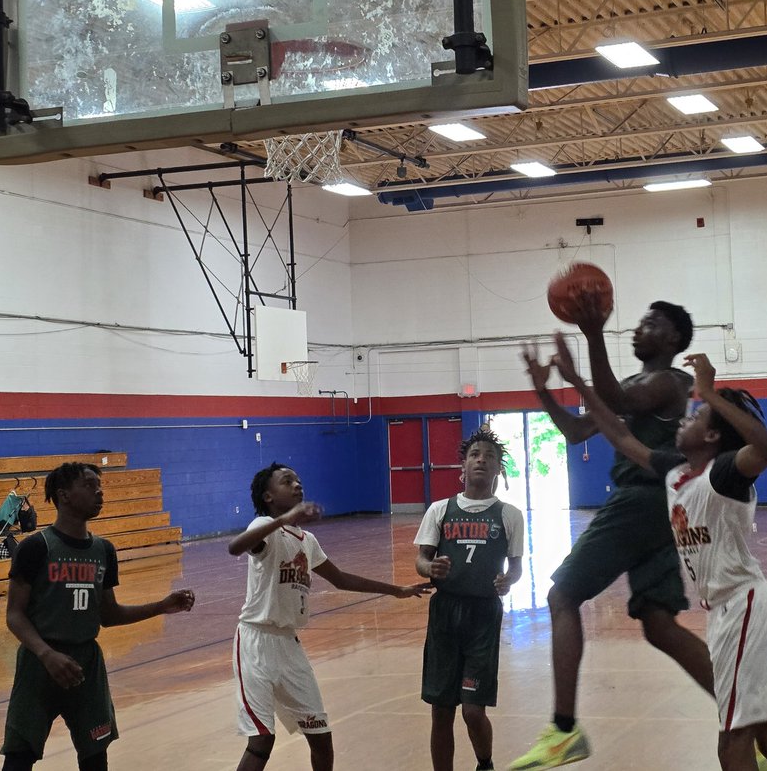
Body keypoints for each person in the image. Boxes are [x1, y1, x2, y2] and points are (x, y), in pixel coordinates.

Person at [553, 339, 767, 771]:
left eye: (697, 416)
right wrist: (577, 383)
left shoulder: (725, 473)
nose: (686, 418)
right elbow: (621, 434)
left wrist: (711, 393)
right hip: (724, 612)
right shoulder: (676, 471)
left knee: (732, 745)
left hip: (745, 605)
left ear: (713, 435)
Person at [512, 300, 714, 771]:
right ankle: (753, 724)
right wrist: (545, 393)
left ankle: (563, 731)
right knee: (660, 626)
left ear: (671, 340)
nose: (638, 330)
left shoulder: (668, 382)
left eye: (651, 325)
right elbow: (577, 431)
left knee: (562, 594)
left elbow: (618, 403)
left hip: (640, 500)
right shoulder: (633, 386)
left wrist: (592, 334)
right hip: (658, 508)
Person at [230, 462, 432, 771]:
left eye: (298, 479)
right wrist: (283, 519)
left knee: (321, 734)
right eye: (287, 481)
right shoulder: (263, 527)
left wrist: (396, 590)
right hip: (255, 642)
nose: (297, 484)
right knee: (261, 742)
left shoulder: (306, 541)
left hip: (289, 646)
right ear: (269, 497)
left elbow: (340, 579)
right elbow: (235, 547)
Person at [0, 462, 195, 771]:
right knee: (19, 758)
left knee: (95, 759)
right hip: (39, 665)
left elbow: (109, 614)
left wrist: (161, 605)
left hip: (87, 664)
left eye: (99, 486)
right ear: (64, 495)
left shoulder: (104, 550)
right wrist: (46, 654)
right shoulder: (36, 547)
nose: (99, 492)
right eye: (89, 486)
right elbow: (14, 615)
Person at [415, 427, 525, 771]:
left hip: (483, 615)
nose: (481, 459)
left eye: (489, 456)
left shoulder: (509, 515)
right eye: (475, 454)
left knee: (473, 710)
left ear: (498, 470)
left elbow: (517, 568)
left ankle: (485, 763)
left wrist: (508, 581)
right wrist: (430, 567)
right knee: (441, 710)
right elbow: (421, 561)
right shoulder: (440, 510)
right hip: (445, 613)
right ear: (462, 466)